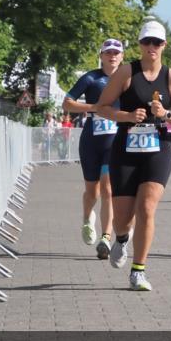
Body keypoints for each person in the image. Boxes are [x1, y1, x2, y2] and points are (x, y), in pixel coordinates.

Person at [94, 21, 171, 291]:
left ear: (164, 45)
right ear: (139, 44)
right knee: (123, 219)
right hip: (125, 147)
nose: (152, 47)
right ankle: (123, 239)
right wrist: (126, 116)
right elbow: (101, 107)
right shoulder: (126, 73)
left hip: (158, 148)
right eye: (147, 42)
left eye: (157, 42)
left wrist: (166, 115)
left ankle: (138, 271)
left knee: (147, 207)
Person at [63, 39, 125, 258]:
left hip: (115, 142)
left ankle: (106, 238)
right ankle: (87, 218)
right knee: (93, 191)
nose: (112, 56)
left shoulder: (126, 80)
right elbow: (67, 103)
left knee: (108, 189)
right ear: (101, 55)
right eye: (108, 52)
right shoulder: (91, 78)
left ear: (122, 57)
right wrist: (95, 108)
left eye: (116, 53)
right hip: (91, 139)